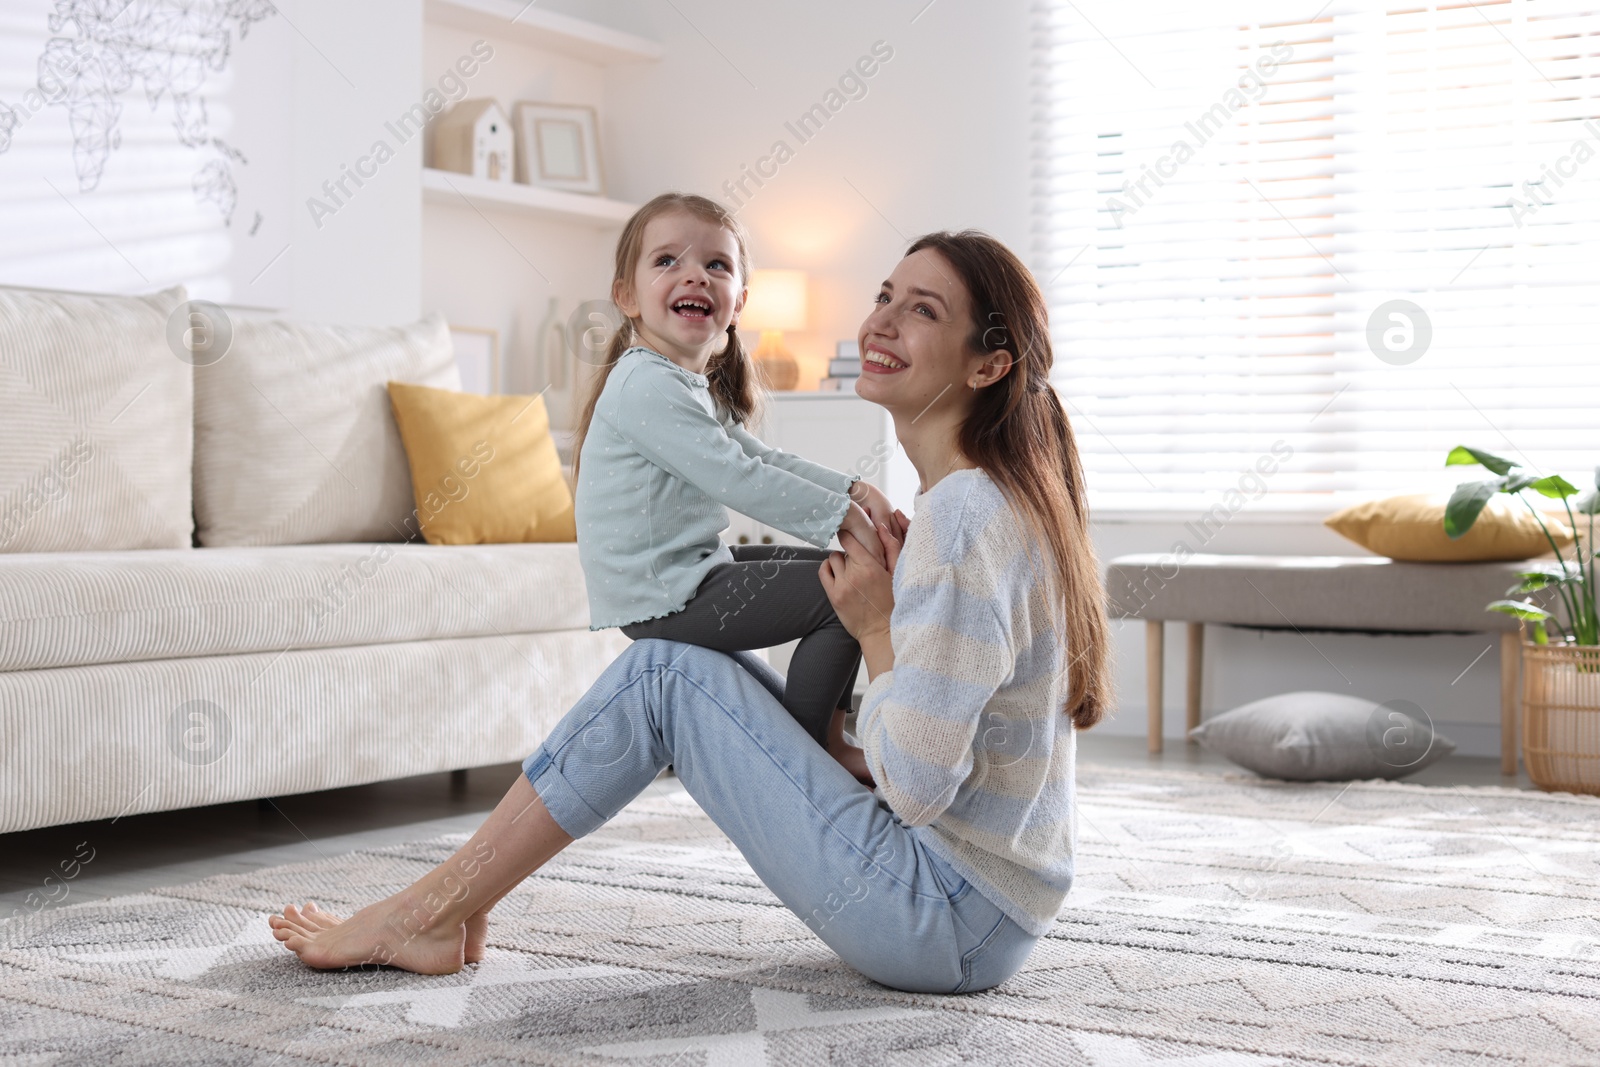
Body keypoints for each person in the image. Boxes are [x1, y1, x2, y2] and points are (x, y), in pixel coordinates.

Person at [268, 228, 1112, 995]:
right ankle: (457, 899)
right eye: (885, 295)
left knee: (664, 670)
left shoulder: (962, 520)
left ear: (987, 365)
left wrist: (876, 628)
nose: (881, 321)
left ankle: (434, 909)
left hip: (944, 918)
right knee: (678, 665)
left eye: (921, 310)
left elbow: (922, 786)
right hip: (980, 911)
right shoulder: (984, 502)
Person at [571, 192, 896, 780]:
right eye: (667, 260)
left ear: (739, 301)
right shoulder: (645, 385)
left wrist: (853, 492)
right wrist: (846, 518)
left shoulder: (680, 382)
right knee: (842, 593)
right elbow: (738, 477)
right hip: (664, 593)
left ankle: (821, 738)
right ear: (626, 296)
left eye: (716, 265)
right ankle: (810, 751)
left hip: (685, 574)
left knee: (835, 570)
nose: (694, 273)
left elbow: (757, 454)